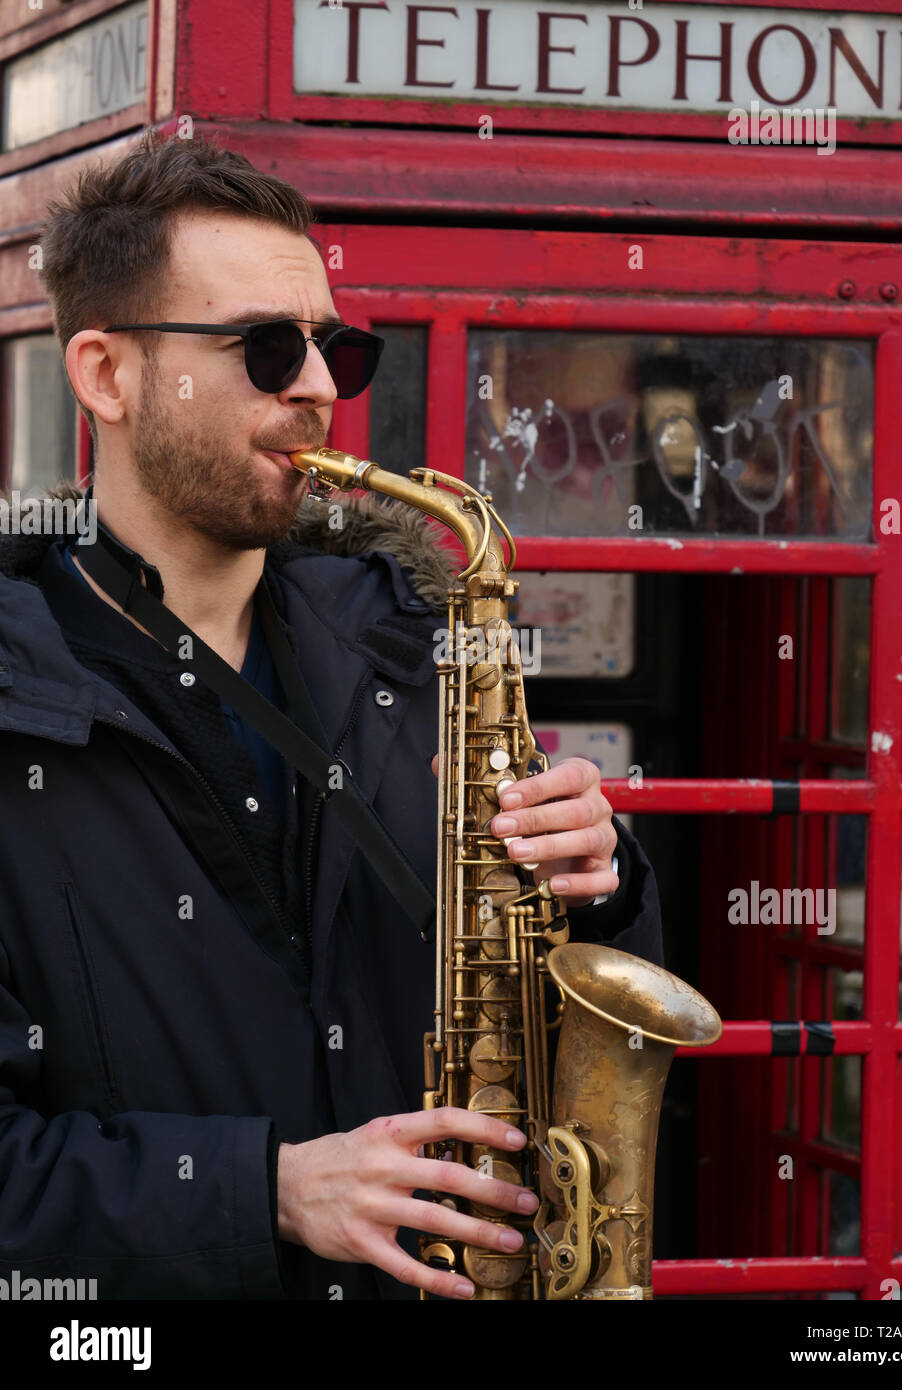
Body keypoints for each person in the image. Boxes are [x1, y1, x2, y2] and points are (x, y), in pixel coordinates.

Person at [0, 130, 665, 1300]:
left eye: (333, 347)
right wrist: (265, 1191)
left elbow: (558, 1009)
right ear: (106, 374)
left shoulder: (415, 641)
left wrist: (600, 878)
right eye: (264, 346)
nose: (316, 387)